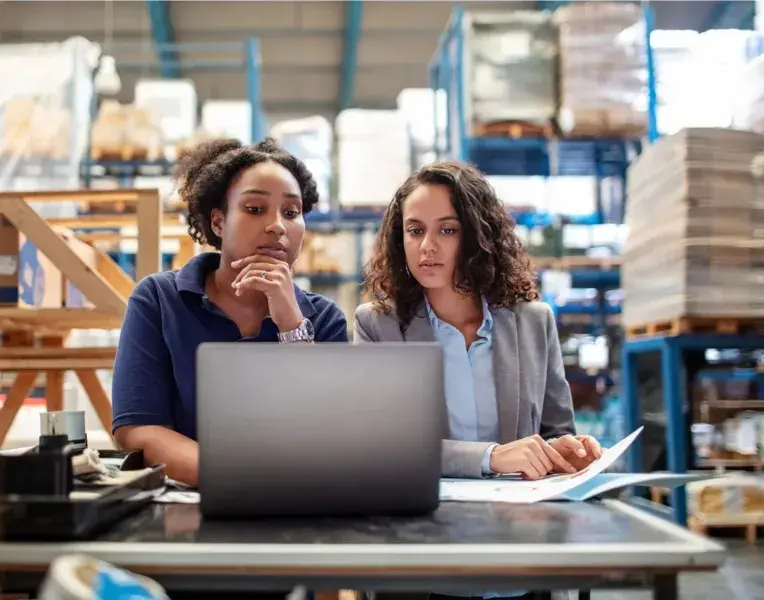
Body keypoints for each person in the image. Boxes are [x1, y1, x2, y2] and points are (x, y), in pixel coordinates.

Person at [112, 137, 349, 490]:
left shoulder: (326, 319)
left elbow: (328, 436)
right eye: (255, 209)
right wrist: (241, 478)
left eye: (291, 212)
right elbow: (137, 429)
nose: (277, 226)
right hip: (192, 508)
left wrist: (291, 323)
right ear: (219, 223)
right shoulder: (159, 300)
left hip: (298, 509)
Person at [355, 161, 603, 485]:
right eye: (415, 230)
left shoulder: (534, 322)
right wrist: (491, 457)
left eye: (447, 230)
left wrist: (563, 451)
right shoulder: (377, 326)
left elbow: (555, 432)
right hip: (423, 517)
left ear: (476, 236)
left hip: (518, 518)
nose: (428, 245)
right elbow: (382, 447)